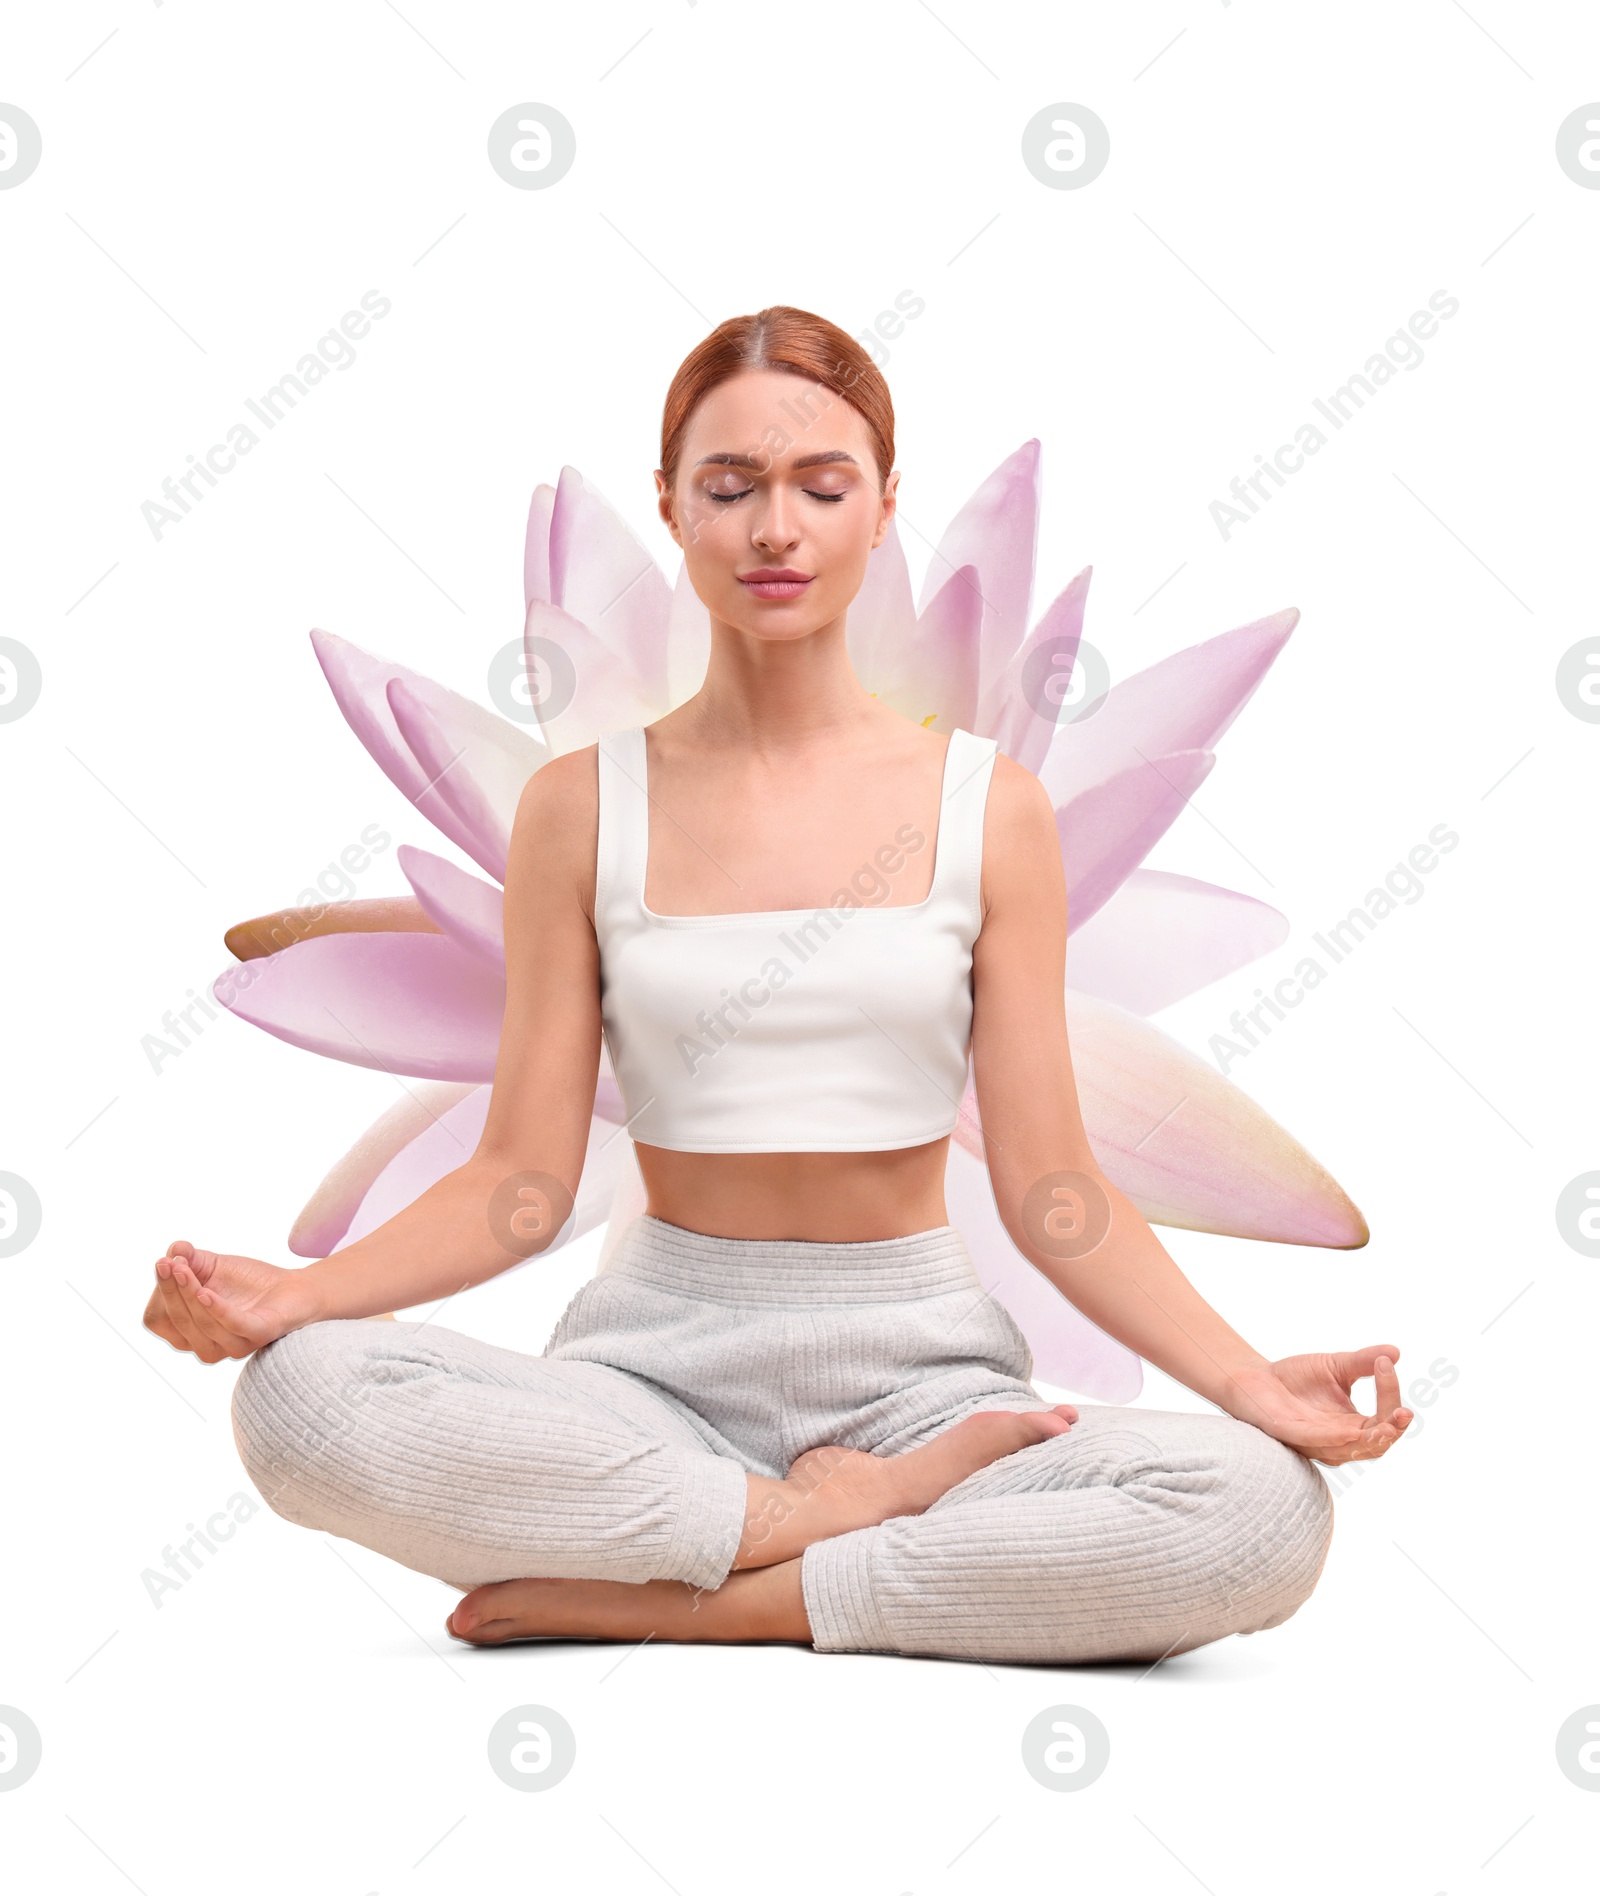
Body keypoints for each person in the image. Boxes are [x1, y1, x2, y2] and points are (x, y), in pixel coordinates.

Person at [140, 306, 1411, 1664]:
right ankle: (796, 1523)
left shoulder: (996, 809)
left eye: (823, 486)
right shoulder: (581, 807)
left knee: (1263, 1512)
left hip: (930, 1391)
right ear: (673, 511)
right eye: (731, 488)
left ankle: (720, 1589)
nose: (776, 531)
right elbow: (517, 1185)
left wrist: (1246, 1378)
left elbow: (1053, 1189)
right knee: (300, 1409)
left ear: (885, 509)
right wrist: (290, 1301)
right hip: (649, 1377)